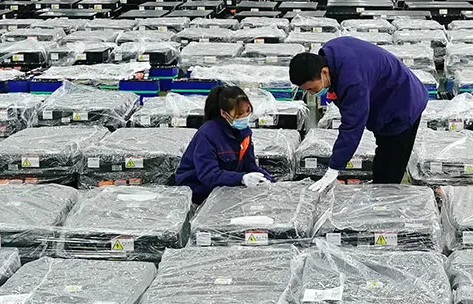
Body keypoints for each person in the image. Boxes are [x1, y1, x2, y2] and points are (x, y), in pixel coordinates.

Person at [289, 37, 428, 184]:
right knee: (383, 152)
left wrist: (334, 167)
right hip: (384, 92)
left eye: (312, 88)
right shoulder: (330, 53)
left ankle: (386, 200)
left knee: (390, 164)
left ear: (324, 72)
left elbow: (352, 126)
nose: (311, 94)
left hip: (403, 105)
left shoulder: (353, 81)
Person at [172, 83, 270, 202]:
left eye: (247, 110)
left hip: (226, 189)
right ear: (224, 113)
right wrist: (241, 178)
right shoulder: (207, 135)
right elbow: (209, 176)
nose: (245, 116)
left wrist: (269, 181)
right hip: (197, 193)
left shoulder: (244, 132)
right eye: (239, 114)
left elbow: (249, 165)